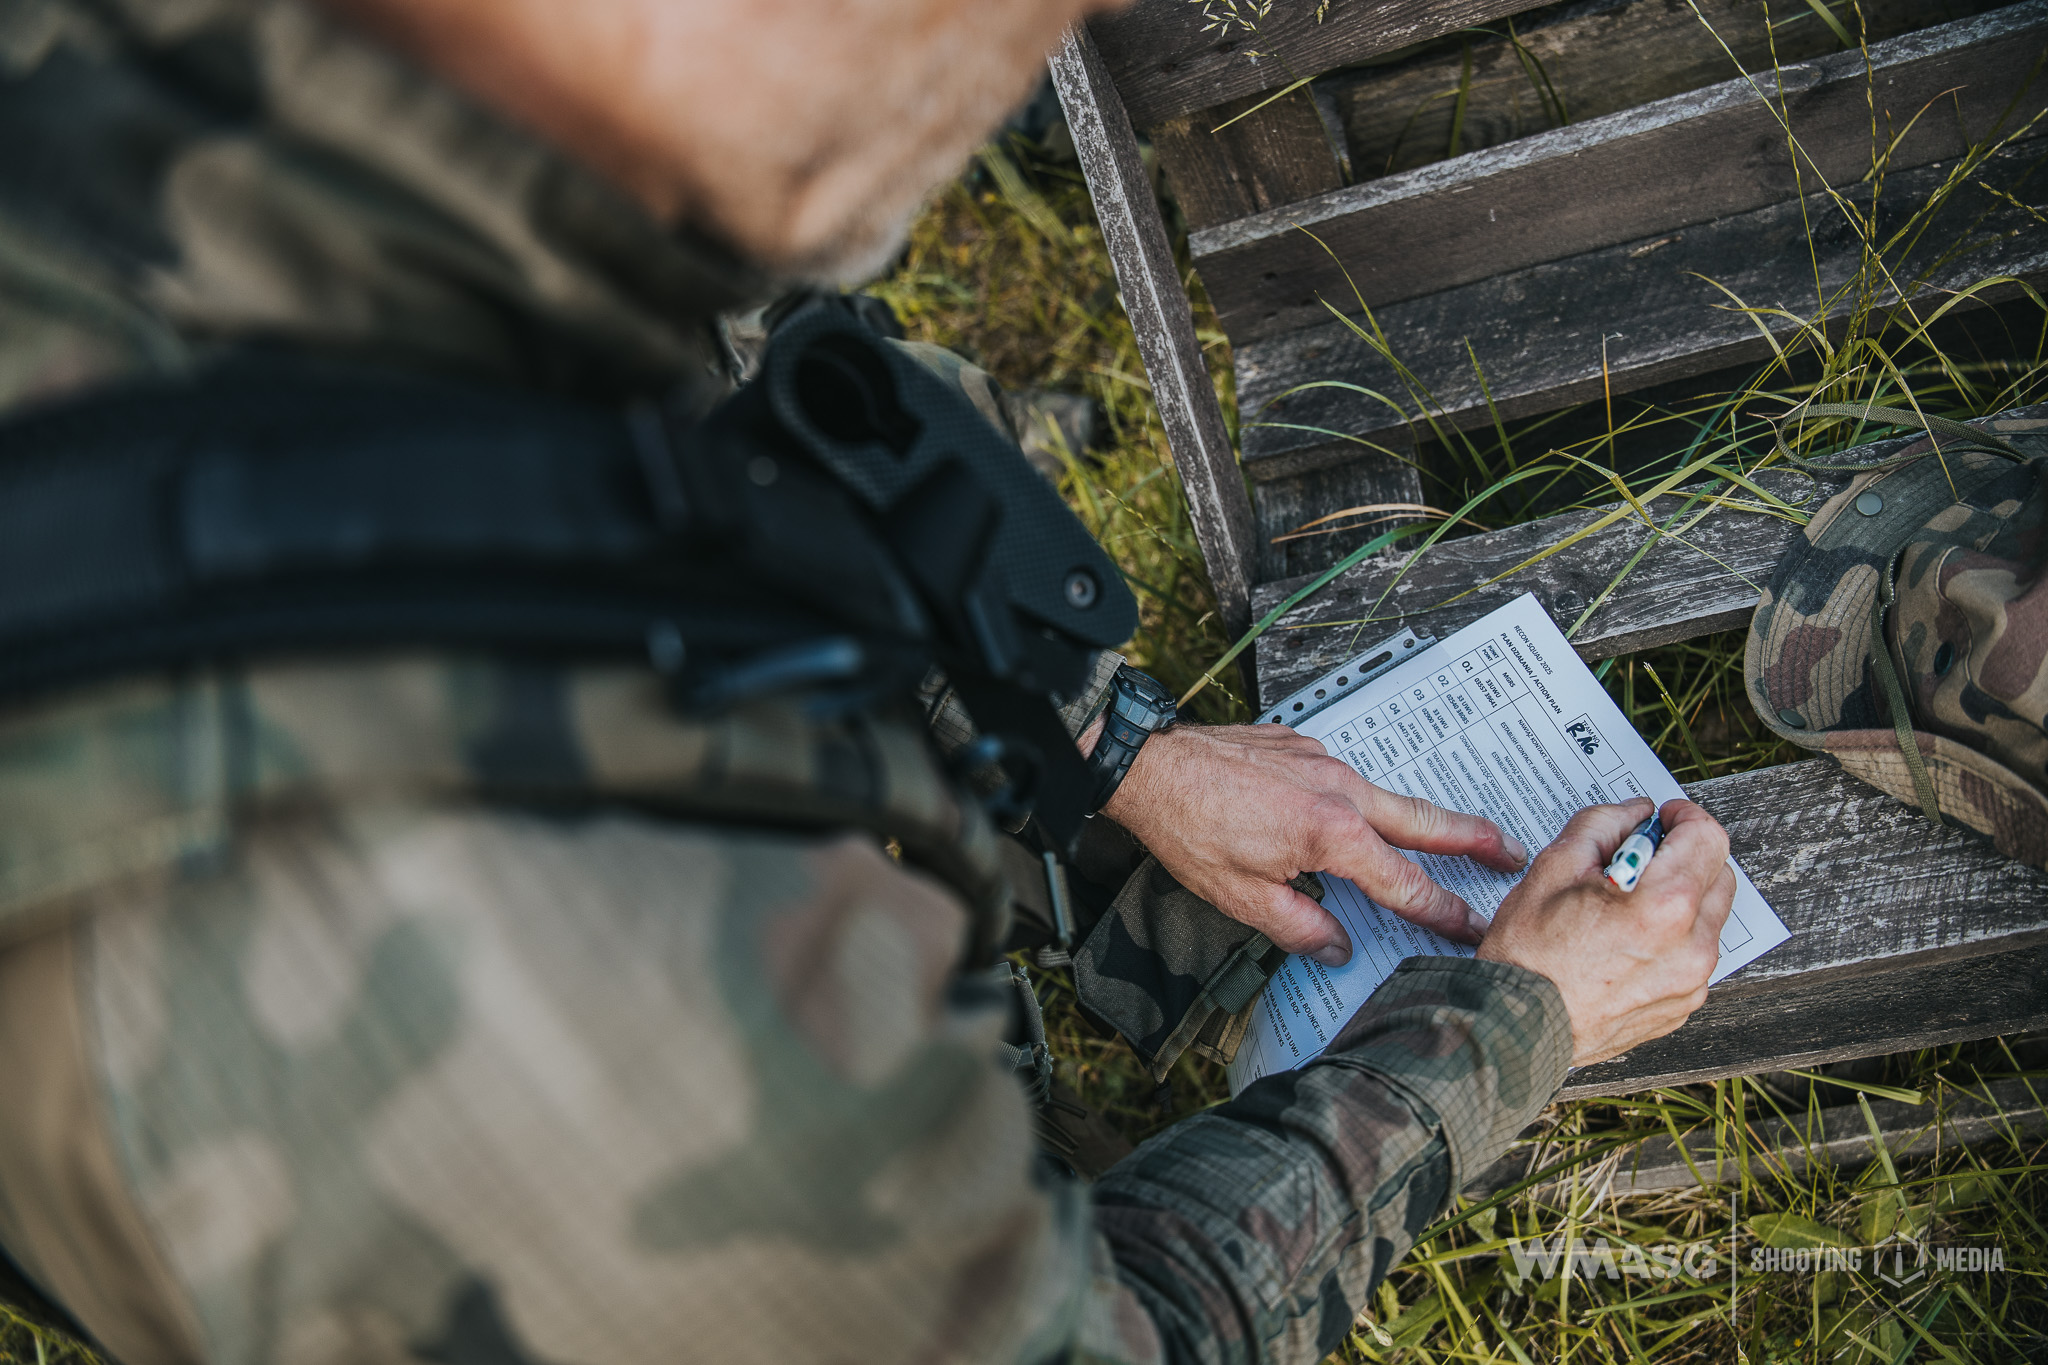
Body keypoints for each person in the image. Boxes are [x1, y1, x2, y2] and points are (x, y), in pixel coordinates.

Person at [0, 1, 1736, 1362]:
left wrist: (1111, 740)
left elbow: (721, 428)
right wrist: (1519, 1024)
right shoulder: (618, 985)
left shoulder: (252, 94)